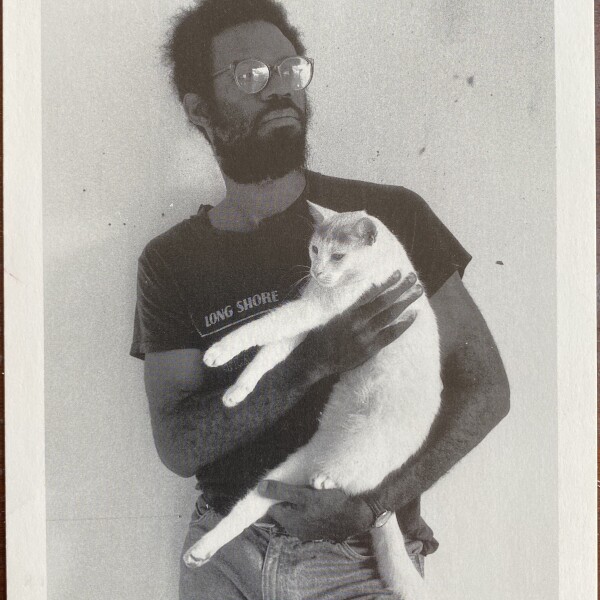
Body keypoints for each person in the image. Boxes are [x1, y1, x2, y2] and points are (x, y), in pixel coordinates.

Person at [130, 1, 510, 598]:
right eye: (252, 75)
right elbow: (178, 445)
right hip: (226, 554)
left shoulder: (385, 220)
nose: (281, 88)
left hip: (360, 559)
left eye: (291, 69)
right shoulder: (170, 261)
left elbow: (486, 388)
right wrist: (313, 360)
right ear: (200, 109)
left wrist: (374, 507)